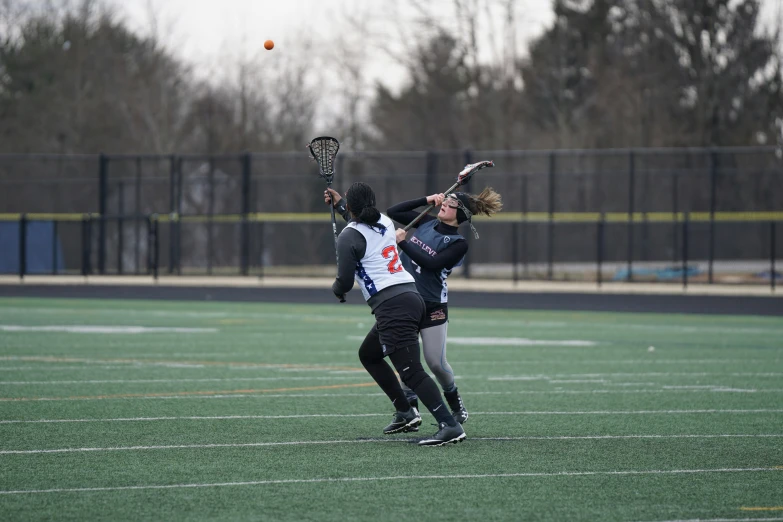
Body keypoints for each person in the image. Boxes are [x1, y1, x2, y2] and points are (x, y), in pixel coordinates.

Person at [325, 180, 503, 426]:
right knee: (395, 358)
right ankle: (409, 410)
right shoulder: (427, 222)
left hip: (430, 304)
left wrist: (403, 242)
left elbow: (431, 264)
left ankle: (452, 405)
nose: (445, 205)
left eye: (451, 205)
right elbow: (393, 213)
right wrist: (427, 200)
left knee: (434, 363)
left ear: (460, 214)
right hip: (408, 297)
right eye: (446, 201)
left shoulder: (458, 243)